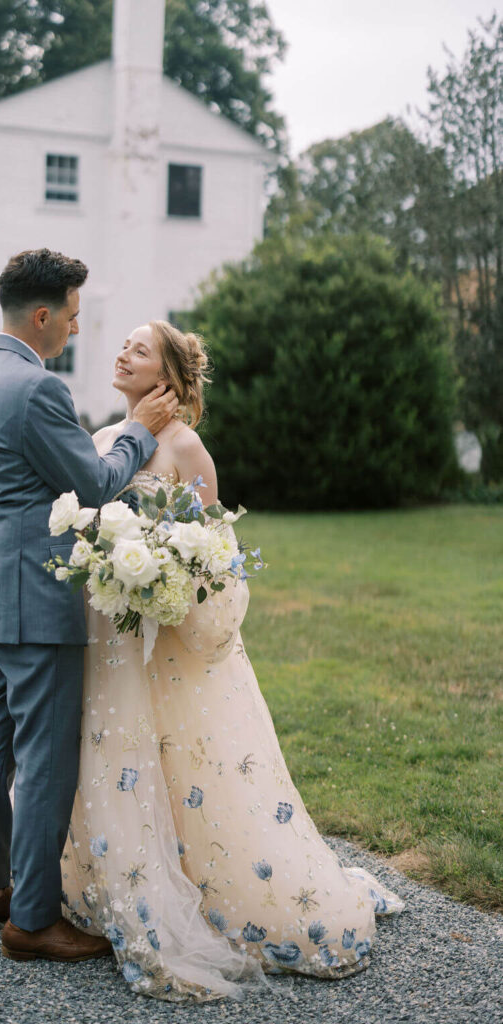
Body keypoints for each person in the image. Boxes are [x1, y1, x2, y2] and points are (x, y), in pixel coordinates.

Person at [58, 320, 405, 1001]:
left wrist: (159, 578)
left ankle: (203, 886)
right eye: (123, 342)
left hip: (165, 644)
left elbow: (211, 563)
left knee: (190, 765)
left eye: (139, 346)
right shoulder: (101, 439)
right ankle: (105, 881)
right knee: (113, 755)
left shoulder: (187, 449)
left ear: (167, 377)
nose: (123, 351)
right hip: (107, 640)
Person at [0, 250, 179, 964]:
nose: (78, 330)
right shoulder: (35, 388)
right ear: (43, 316)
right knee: (45, 756)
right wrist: (138, 427)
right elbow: (93, 484)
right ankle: (31, 920)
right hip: (32, 594)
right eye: (74, 317)